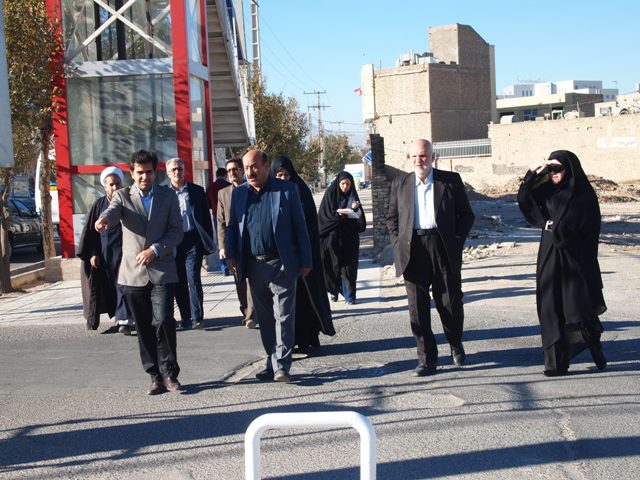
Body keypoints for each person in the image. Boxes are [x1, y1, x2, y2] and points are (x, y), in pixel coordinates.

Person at [95, 150, 183, 395]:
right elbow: (112, 211)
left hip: (162, 270)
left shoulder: (168, 196)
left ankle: (169, 373)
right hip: (134, 273)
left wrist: (155, 250)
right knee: (143, 327)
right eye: (140, 173)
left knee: (164, 320)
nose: (145, 177)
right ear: (132, 174)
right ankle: (154, 376)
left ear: (156, 172)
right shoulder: (122, 196)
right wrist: (104, 220)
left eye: (149, 172)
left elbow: (176, 232)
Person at [386, 139, 475, 377]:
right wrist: (397, 244)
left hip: (442, 247)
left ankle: (455, 343)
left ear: (433, 157)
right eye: (415, 156)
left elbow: (467, 215)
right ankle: (426, 359)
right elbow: (392, 218)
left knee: (449, 303)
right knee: (417, 308)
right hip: (412, 250)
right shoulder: (400, 183)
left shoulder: (450, 181)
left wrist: (456, 241)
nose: (419, 161)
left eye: (423, 156)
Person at [517, 150, 607, 377]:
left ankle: (592, 343)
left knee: (576, 309)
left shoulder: (583, 195)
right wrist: (533, 172)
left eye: (558, 168)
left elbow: (580, 227)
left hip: (575, 260)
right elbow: (526, 199)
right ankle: (555, 363)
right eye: (550, 169)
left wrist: (555, 226)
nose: (553, 173)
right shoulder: (548, 190)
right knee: (549, 306)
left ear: (570, 169)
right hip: (550, 255)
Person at [225, 150, 312, 383]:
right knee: (265, 319)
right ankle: (272, 361)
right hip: (254, 266)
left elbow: (300, 227)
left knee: (283, 316)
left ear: (265, 166)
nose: (250, 172)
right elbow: (232, 226)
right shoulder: (239, 194)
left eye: (254, 166)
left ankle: (282, 365)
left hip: (281, 264)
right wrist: (230, 254)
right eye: (246, 168)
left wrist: (306, 260)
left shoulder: (286, 190)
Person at [270, 156, 335, 351]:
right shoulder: (271, 192)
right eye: (279, 175)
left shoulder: (300, 190)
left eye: (286, 174)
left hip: (303, 256)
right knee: (287, 302)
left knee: (306, 298)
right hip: (281, 257)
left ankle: (308, 337)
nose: (283, 179)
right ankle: (290, 340)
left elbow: (308, 225)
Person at [77, 166, 133, 334]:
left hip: (126, 252)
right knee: (112, 286)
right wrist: (93, 253)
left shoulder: (129, 202)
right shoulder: (99, 205)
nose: (115, 187)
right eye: (111, 184)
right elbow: (91, 233)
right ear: (104, 186)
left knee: (124, 285)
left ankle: (125, 320)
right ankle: (121, 318)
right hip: (106, 255)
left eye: (118, 184)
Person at [166, 157, 215, 331]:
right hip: (173, 242)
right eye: (173, 169)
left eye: (179, 168)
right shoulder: (163, 193)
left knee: (193, 278)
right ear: (168, 173)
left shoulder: (196, 191)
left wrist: (207, 242)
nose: (177, 172)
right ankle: (186, 317)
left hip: (192, 240)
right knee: (178, 281)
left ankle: (197, 318)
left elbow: (205, 218)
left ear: (184, 170)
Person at [217, 157, 256, 328]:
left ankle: (251, 316)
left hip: (250, 242)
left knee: (251, 280)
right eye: (229, 170)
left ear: (242, 170)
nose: (232, 173)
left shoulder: (251, 189)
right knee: (239, 280)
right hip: (233, 243)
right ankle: (245, 310)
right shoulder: (223, 193)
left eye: (235, 169)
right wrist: (222, 246)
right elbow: (220, 222)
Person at [318, 171, 366, 305]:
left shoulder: (353, 197)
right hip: (331, 239)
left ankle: (350, 297)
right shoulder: (330, 195)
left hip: (349, 239)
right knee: (332, 267)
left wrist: (355, 210)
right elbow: (323, 218)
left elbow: (361, 223)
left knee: (349, 269)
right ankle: (334, 290)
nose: (345, 187)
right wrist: (338, 215)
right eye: (343, 183)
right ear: (338, 184)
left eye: (348, 184)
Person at [206, 167, 232, 275]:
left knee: (220, 239)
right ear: (225, 175)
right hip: (229, 214)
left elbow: (207, 204)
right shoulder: (229, 186)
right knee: (230, 237)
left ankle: (224, 267)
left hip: (216, 215)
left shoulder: (210, 187)